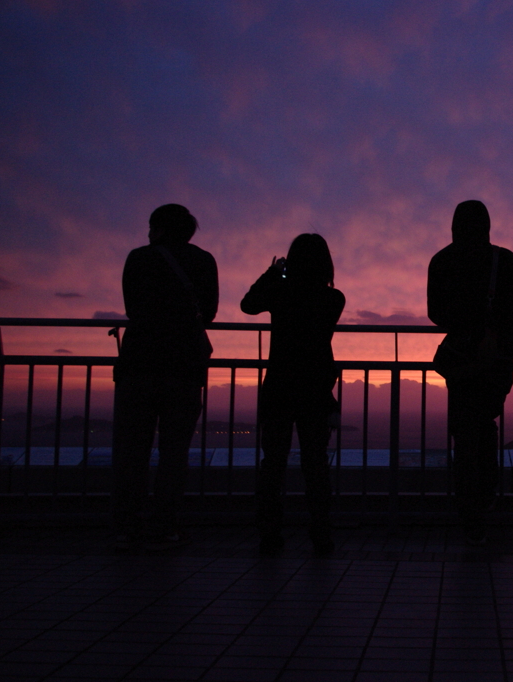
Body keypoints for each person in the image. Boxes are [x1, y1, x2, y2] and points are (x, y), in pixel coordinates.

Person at [113, 204, 218, 551]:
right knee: (174, 452)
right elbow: (211, 312)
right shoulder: (203, 261)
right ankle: (166, 526)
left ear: (157, 229)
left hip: (139, 363)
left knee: (133, 449)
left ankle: (128, 526)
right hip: (184, 366)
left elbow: (132, 308)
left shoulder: (138, 259)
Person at [428, 200, 513, 546]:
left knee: (464, 430)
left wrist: (465, 324)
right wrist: (491, 328)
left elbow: (435, 313)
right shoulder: (505, 260)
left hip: (461, 357)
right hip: (497, 357)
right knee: (486, 425)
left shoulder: (442, 261)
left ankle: (468, 510)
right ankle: (485, 501)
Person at [241, 234, 345, 555]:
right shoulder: (333, 299)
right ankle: (321, 534)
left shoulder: (279, 293)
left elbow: (248, 304)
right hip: (315, 388)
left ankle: (270, 533)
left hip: (279, 386)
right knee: (315, 463)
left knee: (273, 462)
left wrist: (274, 272)